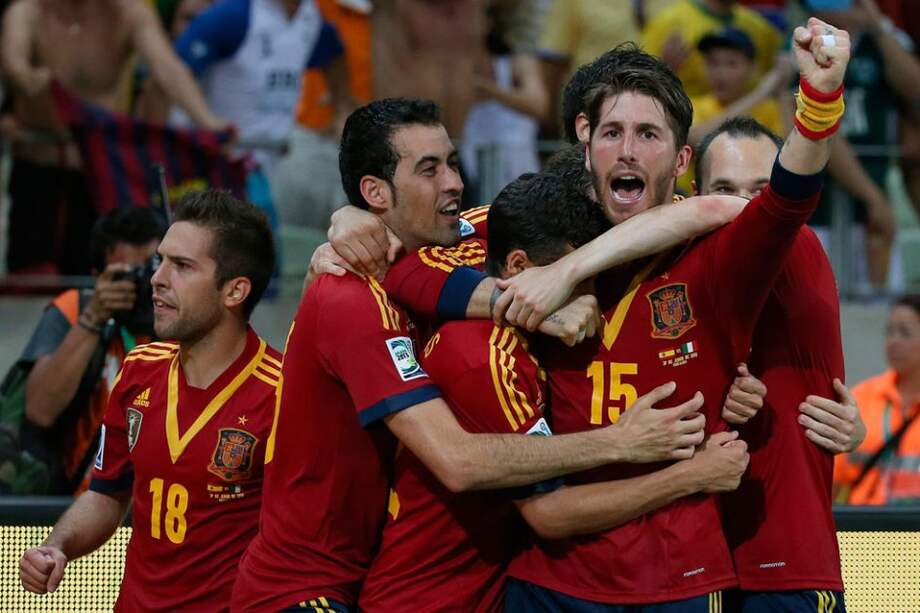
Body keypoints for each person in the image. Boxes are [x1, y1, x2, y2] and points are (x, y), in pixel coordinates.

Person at [231, 98, 712, 613]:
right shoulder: (353, 298)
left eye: (454, 163)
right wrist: (621, 442)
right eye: (429, 169)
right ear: (376, 191)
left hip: (385, 574)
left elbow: (543, 220)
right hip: (305, 587)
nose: (454, 183)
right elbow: (458, 461)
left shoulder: (456, 240)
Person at [493, 24, 849, 609]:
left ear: (682, 159)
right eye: (612, 133)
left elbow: (787, 199)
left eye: (647, 135)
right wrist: (354, 227)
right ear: (587, 149)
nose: (627, 150)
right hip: (546, 582)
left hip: (676, 582)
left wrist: (818, 100)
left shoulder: (719, 259)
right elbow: (433, 244)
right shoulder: (540, 236)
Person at [358, 171, 751, 612]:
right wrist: (676, 469)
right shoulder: (486, 357)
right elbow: (550, 513)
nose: (592, 297)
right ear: (521, 269)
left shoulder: (510, 227)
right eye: (570, 277)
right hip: (430, 601)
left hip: (486, 588)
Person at [18, 190, 280, 611]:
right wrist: (57, 546)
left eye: (181, 266)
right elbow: (106, 493)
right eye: (161, 261)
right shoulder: (139, 368)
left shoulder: (283, 392)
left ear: (235, 291)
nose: (157, 278)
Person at [693, 116, 863, 611]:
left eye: (763, 191)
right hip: (696, 566)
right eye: (724, 189)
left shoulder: (795, 246)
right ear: (694, 194)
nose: (747, 210)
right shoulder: (683, 264)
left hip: (779, 568)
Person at [0, 0, 226, 275]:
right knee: (31, 278)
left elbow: (167, 67)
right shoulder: (28, 11)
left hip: (104, 174)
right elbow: (13, 64)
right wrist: (30, 80)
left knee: (98, 276)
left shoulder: (129, 12)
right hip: (39, 168)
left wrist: (207, 122)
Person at [11, 208, 165, 496]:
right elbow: (39, 411)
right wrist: (94, 317)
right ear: (98, 277)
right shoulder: (75, 310)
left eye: (151, 270)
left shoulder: (184, 319)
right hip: (78, 504)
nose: (146, 284)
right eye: (128, 275)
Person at [835, 294, 920, 504]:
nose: (893, 342)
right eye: (889, 332)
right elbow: (832, 481)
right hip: (868, 532)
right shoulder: (860, 399)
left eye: (905, 333)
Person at [641, 0, 782, 98]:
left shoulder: (760, 27)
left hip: (752, 121)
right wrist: (664, 72)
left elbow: (778, 76)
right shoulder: (668, 23)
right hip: (689, 123)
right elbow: (640, 82)